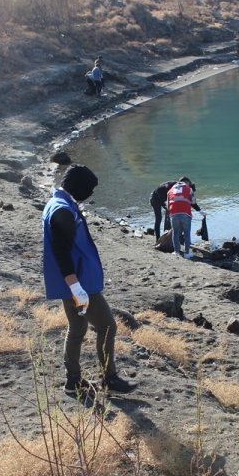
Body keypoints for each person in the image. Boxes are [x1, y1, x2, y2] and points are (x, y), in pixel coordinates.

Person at [43, 164, 136, 395]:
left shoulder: (60, 203)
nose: (91, 194)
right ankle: (109, 378)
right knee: (107, 326)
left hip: (72, 283)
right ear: (79, 186)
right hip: (79, 283)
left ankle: (72, 382)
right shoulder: (62, 209)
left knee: (77, 327)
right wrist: (75, 286)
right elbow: (61, 251)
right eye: (90, 189)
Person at [167, 176, 205, 258]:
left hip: (173, 213)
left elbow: (168, 205)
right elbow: (193, 202)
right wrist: (200, 211)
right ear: (187, 182)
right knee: (187, 233)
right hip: (185, 213)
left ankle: (176, 252)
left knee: (175, 233)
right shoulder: (188, 189)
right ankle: (187, 253)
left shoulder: (170, 190)